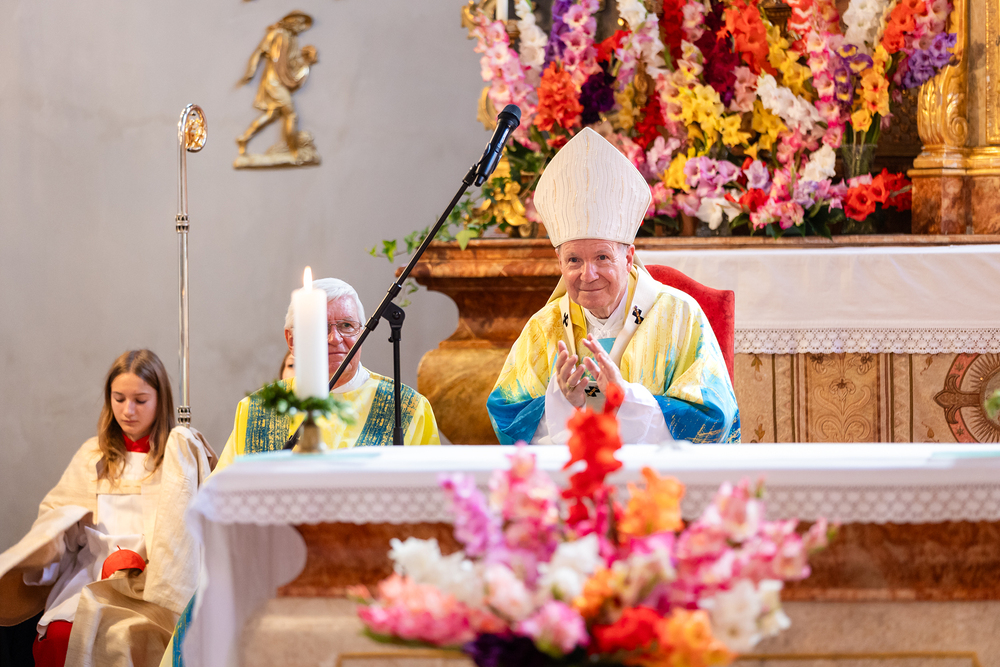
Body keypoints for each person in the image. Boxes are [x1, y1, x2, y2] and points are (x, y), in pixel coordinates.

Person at [487, 128, 740, 445]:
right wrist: (563, 401)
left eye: (602, 257)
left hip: (656, 474)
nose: (588, 274)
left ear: (628, 257)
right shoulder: (544, 328)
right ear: (559, 262)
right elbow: (506, 418)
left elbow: (714, 419)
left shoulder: (680, 315)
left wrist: (627, 401)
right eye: (574, 260)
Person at [0, 350, 215, 667]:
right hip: (92, 574)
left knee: (125, 638)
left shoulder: (177, 459)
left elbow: (186, 539)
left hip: (149, 586)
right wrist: (49, 544)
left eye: (140, 400)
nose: (128, 410)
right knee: (60, 634)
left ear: (161, 400)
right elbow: (58, 519)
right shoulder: (93, 455)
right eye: (119, 398)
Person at [215, 277, 439, 469]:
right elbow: (221, 494)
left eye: (347, 325)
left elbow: (436, 492)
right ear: (292, 340)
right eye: (319, 327)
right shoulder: (258, 410)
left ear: (362, 332)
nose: (335, 338)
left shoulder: (407, 408)